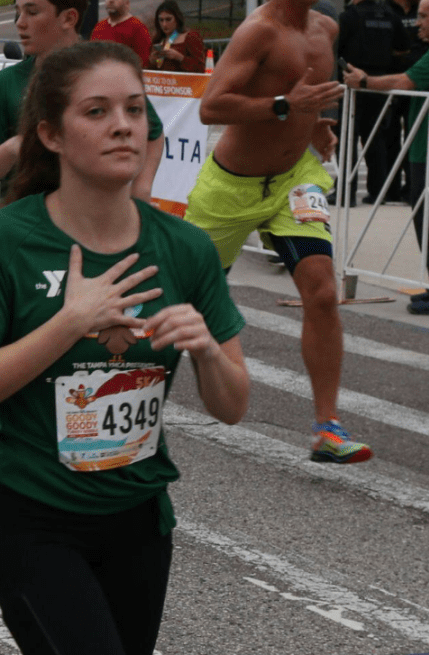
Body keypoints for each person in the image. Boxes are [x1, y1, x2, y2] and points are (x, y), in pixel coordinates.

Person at [0, 40, 249, 655]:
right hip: (28, 517)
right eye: (97, 112)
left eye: (135, 110)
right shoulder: (11, 241)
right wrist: (70, 322)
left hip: (138, 518)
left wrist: (207, 352)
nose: (123, 126)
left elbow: (233, 405)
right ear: (51, 135)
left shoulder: (186, 248)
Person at [185, 0, 372, 464]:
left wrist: (316, 127)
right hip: (231, 186)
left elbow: (304, 97)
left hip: (295, 179)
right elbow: (211, 106)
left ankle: (327, 428)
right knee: (185, 299)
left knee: (322, 292)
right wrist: (287, 107)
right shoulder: (257, 32)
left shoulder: (326, 30)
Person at [344, 0, 429, 314]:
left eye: (424, 16)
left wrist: (365, 81)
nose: (417, 23)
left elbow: (406, 82)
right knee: (426, 218)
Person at [0, 0, 164, 202]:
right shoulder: (8, 81)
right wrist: (13, 149)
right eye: (18, 12)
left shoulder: (107, 71)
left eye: (32, 12)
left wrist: (142, 188)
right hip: (26, 214)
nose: (20, 23)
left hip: (96, 212)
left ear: (69, 18)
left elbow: (154, 132)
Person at [334, 0, 409, 205]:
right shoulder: (390, 16)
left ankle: (345, 192)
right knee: (376, 139)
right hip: (380, 84)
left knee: (347, 138)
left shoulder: (348, 17)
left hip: (352, 84)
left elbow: (336, 49)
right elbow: (403, 47)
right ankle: (378, 192)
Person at [383, 0, 429, 201]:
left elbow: (428, 46)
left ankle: (413, 187)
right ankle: (390, 188)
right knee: (388, 137)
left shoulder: (423, 12)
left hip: (417, 84)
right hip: (391, 83)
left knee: (416, 136)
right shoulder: (383, 11)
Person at [91, 0, 151, 66]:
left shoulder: (138, 28)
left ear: (127, 3)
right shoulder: (99, 26)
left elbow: (143, 62)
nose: (111, 0)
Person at [148, 0, 205, 72]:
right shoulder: (159, 40)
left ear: (177, 19)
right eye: (161, 20)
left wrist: (180, 57)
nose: (164, 24)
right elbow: (153, 69)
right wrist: (152, 61)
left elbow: (200, 68)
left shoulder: (190, 37)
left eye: (168, 19)